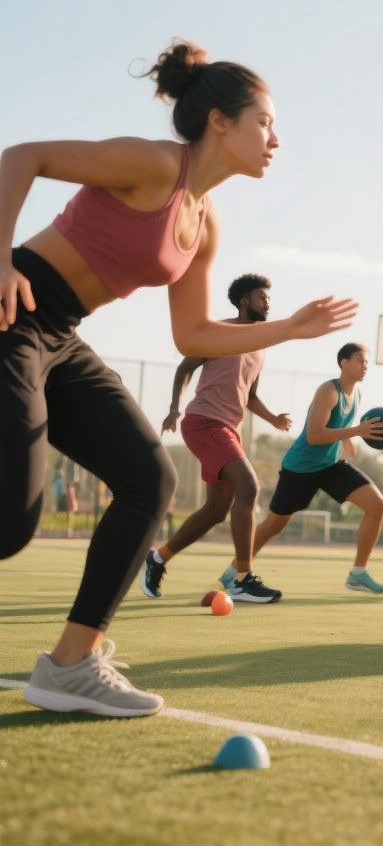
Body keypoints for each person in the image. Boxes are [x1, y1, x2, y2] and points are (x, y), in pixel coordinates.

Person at [0, 40, 357, 717]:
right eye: (265, 122)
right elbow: (23, 156)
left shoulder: (204, 223)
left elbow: (191, 335)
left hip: (61, 333)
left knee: (150, 478)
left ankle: (69, 666)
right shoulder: (155, 164)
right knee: (8, 526)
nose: (275, 138)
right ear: (220, 121)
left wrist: (289, 329)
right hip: (11, 309)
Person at [140, 274, 292, 604]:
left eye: (268, 298)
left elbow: (250, 396)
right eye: (261, 298)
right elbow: (185, 367)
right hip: (203, 422)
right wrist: (173, 408)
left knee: (215, 511)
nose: (268, 303)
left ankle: (158, 557)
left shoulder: (260, 346)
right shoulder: (219, 333)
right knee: (249, 487)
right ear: (244, 302)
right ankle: (241, 579)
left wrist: (274, 419)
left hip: (227, 428)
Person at [235, 342, 383, 594]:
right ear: (344, 363)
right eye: (360, 361)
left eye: (367, 363)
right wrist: (357, 431)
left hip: (330, 466)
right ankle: (235, 570)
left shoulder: (357, 394)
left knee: (377, 505)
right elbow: (314, 436)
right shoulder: (328, 391)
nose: (365, 367)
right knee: (275, 524)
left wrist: (348, 439)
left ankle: (358, 574)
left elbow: (338, 423)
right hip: (301, 468)